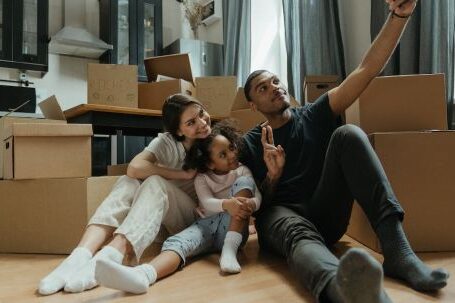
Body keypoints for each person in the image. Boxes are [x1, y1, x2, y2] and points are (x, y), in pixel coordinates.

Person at [240, 1, 449, 302]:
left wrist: (399, 16)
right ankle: (343, 290)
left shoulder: (314, 114)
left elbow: (365, 71)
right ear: (253, 105)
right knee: (292, 228)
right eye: (262, 88)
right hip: (284, 220)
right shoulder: (251, 142)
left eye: (275, 81)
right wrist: (273, 177)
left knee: (348, 134)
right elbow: (257, 206)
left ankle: (398, 253)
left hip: (326, 216)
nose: (274, 87)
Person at [38, 94, 212, 295]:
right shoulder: (167, 142)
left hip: (193, 221)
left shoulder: (216, 141)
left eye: (201, 113)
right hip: (159, 219)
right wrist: (181, 174)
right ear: (178, 131)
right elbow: (134, 168)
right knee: (128, 181)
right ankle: (81, 254)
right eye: (191, 122)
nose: (202, 123)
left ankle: (112, 254)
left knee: (155, 182)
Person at [94, 121, 261, 294]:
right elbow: (206, 202)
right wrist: (226, 204)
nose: (232, 154)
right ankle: (144, 275)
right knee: (177, 243)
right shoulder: (202, 178)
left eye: (232, 148)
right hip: (206, 225)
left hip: (233, 227)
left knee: (245, 183)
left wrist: (251, 204)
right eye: (223, 154)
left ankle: (229, 250)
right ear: (210, 163)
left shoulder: (243, 171)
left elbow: (257, 196)